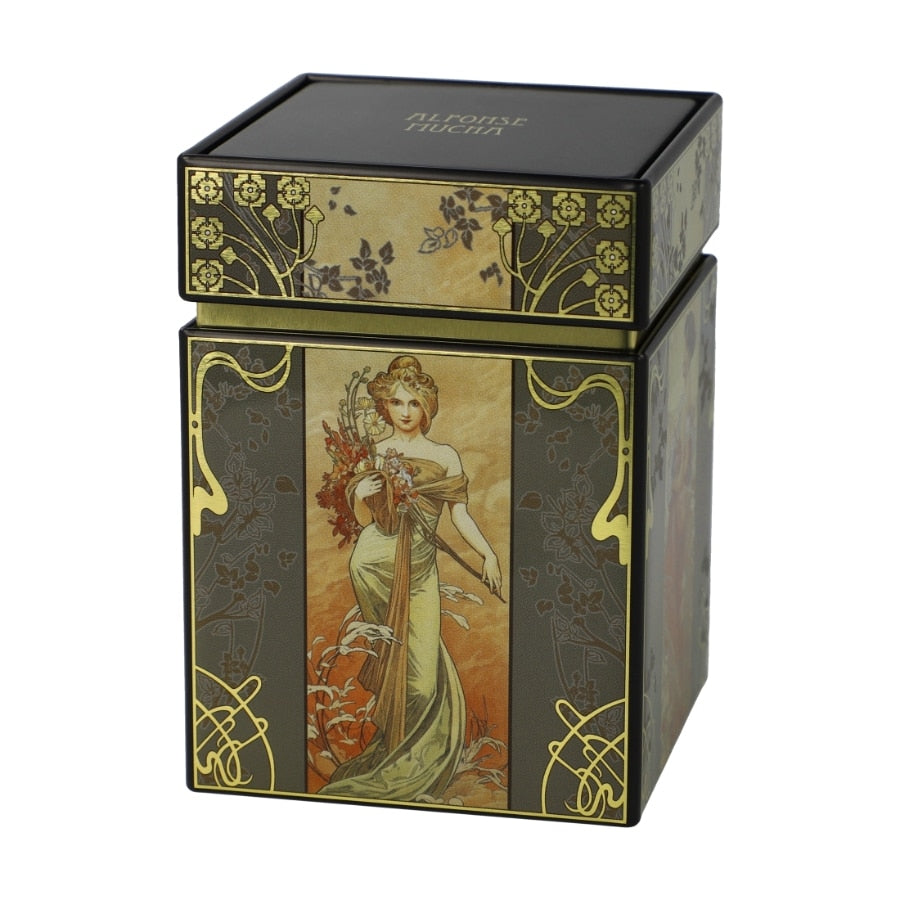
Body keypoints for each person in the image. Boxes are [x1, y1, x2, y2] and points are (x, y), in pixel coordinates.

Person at [318, 355, 501, 802]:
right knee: (397, 664)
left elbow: (458, 514)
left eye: (414, 402)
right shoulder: (375, 452)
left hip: (419, 572)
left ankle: (412, 765)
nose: (405, 411)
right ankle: (402, 763)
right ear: (385, 406)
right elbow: (367, 521)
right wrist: (360, 495)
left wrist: (488, 554)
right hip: (374, 564)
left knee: (420, 680)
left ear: (427, 407)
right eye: (397, 402)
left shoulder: (445, 456)